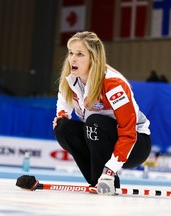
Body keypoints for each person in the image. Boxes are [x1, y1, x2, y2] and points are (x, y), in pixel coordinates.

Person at [52, 31, 151, 196]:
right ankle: (96, 180)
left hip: (135, 143)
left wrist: (110, 170)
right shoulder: (70, 80)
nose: (72, 59)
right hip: (99, 136)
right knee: (62, 127)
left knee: (94, 122)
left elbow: (128, 133)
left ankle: (107, 178)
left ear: (93, 58)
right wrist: (63, 114)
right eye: (71, 53)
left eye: (80, 54)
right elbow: (63, 101)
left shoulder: (113, 84)